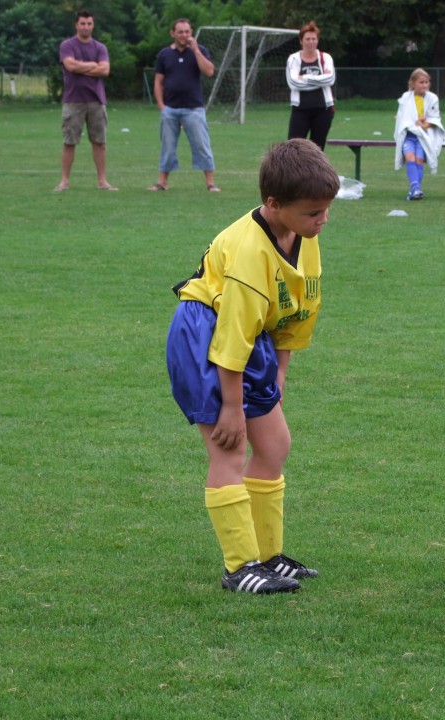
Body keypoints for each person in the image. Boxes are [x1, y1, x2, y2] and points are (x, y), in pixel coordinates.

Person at [166, 139, 340, 594]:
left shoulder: (303, 236)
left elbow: (298, 310)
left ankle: (268, 556)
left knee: (275, 444)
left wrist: (279, 372)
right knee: (230, 446)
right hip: (206, 334)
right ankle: (239, 567)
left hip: (250, 341)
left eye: (326, 210)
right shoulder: (247, 252)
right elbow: (231, 335)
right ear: (273, 204)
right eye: (312, 212)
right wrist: (231, 406)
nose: (321, 220)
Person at [148, 19, 219, 192]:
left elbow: (209, 71)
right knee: (168, 146)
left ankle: (210, 183)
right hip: (170, 109)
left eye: (187, 31)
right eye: (180, 32)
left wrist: (195, 50)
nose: (184, 35)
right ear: (172, 33)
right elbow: (158, 81)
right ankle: (162, 182)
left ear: (191, 32)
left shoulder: (199, 50)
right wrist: (161, 105)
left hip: (193, 108)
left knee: (202, 144)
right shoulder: (165, 54)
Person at [55, 10, 117, 191]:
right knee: (69, 141)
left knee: (99, 142)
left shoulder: (100, 48)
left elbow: (104, 70)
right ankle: (64, 181)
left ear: (93, 25)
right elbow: (70, 65)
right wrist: (92, 66)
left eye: (89, 23)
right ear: (76, 25)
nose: (86, 27)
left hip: (97, 101)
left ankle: (102, 181)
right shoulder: (67, 45)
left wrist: (81, 67)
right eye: (82, 23)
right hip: (73, 100)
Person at [394, 68, 445, 201]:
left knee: (419, 160)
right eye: (421, 82)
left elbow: (435, 119)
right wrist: (413, 123)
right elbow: (403, 118)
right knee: (410, 158)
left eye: (426, 82)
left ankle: (415, 189)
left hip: (424, 136)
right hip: (409, 135)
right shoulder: (406, 98)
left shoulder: (432, 98)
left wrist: (424, 124)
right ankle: (416, 188)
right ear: (413, 83)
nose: (424, 85)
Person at [286, 21, 336, 150]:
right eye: (307, 39)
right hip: (300, 110)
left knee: (317, 149)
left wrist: (305, 78)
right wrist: (319, 79)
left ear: (318, 40)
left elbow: (330, 79)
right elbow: (293, 83)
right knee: (293, 147)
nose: (311, 42)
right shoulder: (293, 59)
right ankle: (293, 171)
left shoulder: (326, 58)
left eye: (314, 39)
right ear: (301, 41)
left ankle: (315, 171)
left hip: (323, 110)